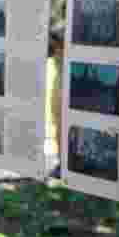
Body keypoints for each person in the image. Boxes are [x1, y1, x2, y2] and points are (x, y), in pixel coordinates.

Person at [48, 26, 65, 178]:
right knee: (59, 126)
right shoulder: (57, 32)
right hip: (60, 85)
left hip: (72, 82)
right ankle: (62, 162)